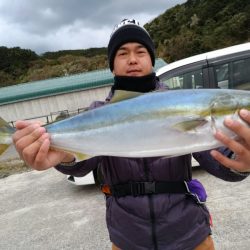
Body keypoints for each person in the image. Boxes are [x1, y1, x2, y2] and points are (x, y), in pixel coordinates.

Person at [13, 19, 250, 250]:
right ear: (112, 65)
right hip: (128, 238)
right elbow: (81, 165)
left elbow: (219, 160)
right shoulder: (98, 113)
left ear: (152, 60)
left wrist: (241, 164)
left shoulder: (183, 103)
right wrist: (62, 157)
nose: (133, 59)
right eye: (123, 53)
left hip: (188, 234)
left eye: (141, 51)